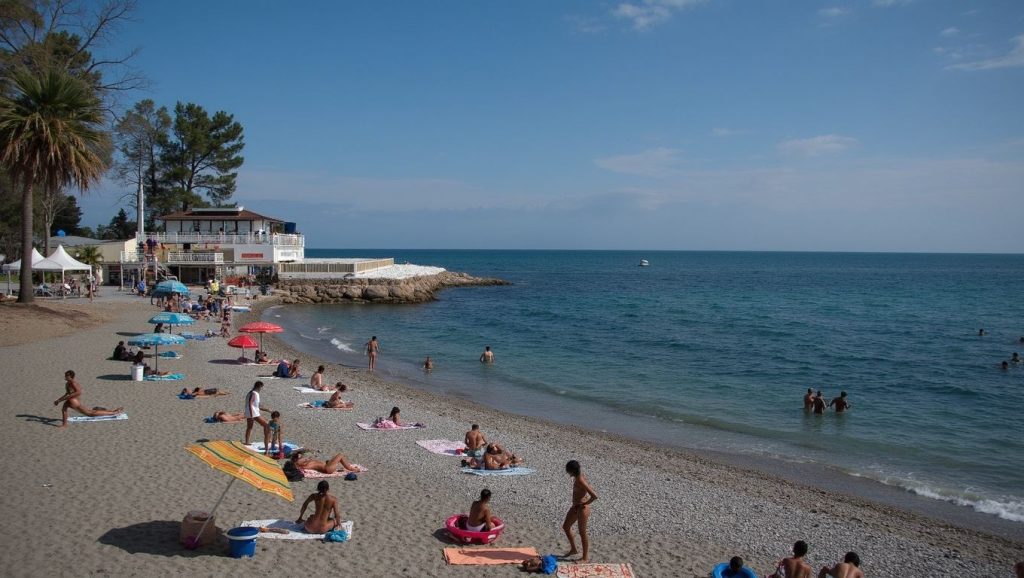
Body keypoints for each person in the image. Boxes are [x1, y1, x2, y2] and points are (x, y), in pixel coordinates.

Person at [53, 370, 123, 428]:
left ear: (71, 377)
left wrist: (66, 398)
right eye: (65, 375)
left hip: (74, 401)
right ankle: (113, 411)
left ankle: (114, 412)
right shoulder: (68, 383)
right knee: (88, 411)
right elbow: (67, 393)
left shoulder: (73, 383)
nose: (65, 377)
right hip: (72, 400)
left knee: (90, 413)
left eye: (67, 376)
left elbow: (78, 392)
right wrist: (58, 400)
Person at [563, 460, 597, 563]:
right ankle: (574, 549)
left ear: (572, 471)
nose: (567, 473)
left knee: (582, 533)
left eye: (568, 471)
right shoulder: (577, 477)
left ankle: (585, 558)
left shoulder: (580, 479)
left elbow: (594, 496)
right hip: (575, 507)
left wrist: (584, 503)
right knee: (566, 526)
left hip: (582, 509)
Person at [243, 381, 271, 448]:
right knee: (266, 425)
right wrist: (252, 414)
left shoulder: (251, 392)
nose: (261, 389)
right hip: (253, 412)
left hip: (249, 412)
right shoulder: (254, 393)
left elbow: (257, 405)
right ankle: (268, 440)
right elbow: (250, 403)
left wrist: (268, 410)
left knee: (249, 427)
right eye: (261, 387)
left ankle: (247, 442)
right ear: (259, 386)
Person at [289, 449, 362, 474]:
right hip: (327, 468)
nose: (302, 456)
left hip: (327, 467)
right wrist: (299, 456)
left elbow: (302, 461)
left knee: (334, 458)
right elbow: (299, 462)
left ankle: (348, 467)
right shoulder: (299, 463)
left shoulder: (303, 463)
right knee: (340, 455)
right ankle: (351, 469)